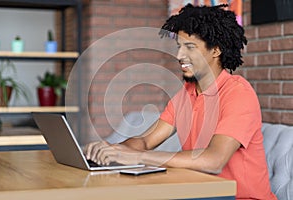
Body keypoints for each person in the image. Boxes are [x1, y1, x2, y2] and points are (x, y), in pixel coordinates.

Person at [84, 4, 277, 199]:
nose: (179, 56)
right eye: (179, 47)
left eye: (190, 47)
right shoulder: (186, 94)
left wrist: (138, 157)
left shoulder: (238, 93)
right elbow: (145, 140)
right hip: (203, 194)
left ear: (216, 50)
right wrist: (113, 150)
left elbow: (214, 160)